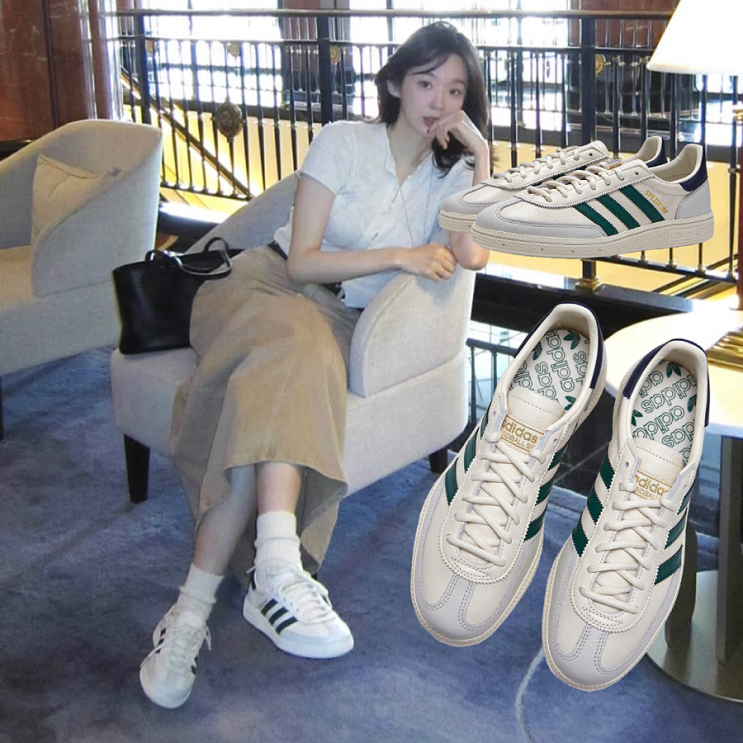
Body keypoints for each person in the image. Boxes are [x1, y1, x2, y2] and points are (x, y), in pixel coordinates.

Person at [139, 21, 492, 709]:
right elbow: (301, 261)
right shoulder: (343, 141)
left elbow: (472, 255)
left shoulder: (448, 178)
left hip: (330, 322)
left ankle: (188, 615)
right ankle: (277, 564)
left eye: (455, 91)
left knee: (261, 418)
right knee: (297, 347)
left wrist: (481, 156)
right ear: (395, 83)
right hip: (260, 287)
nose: (439, 102)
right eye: (426, 83)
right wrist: (399, 255)